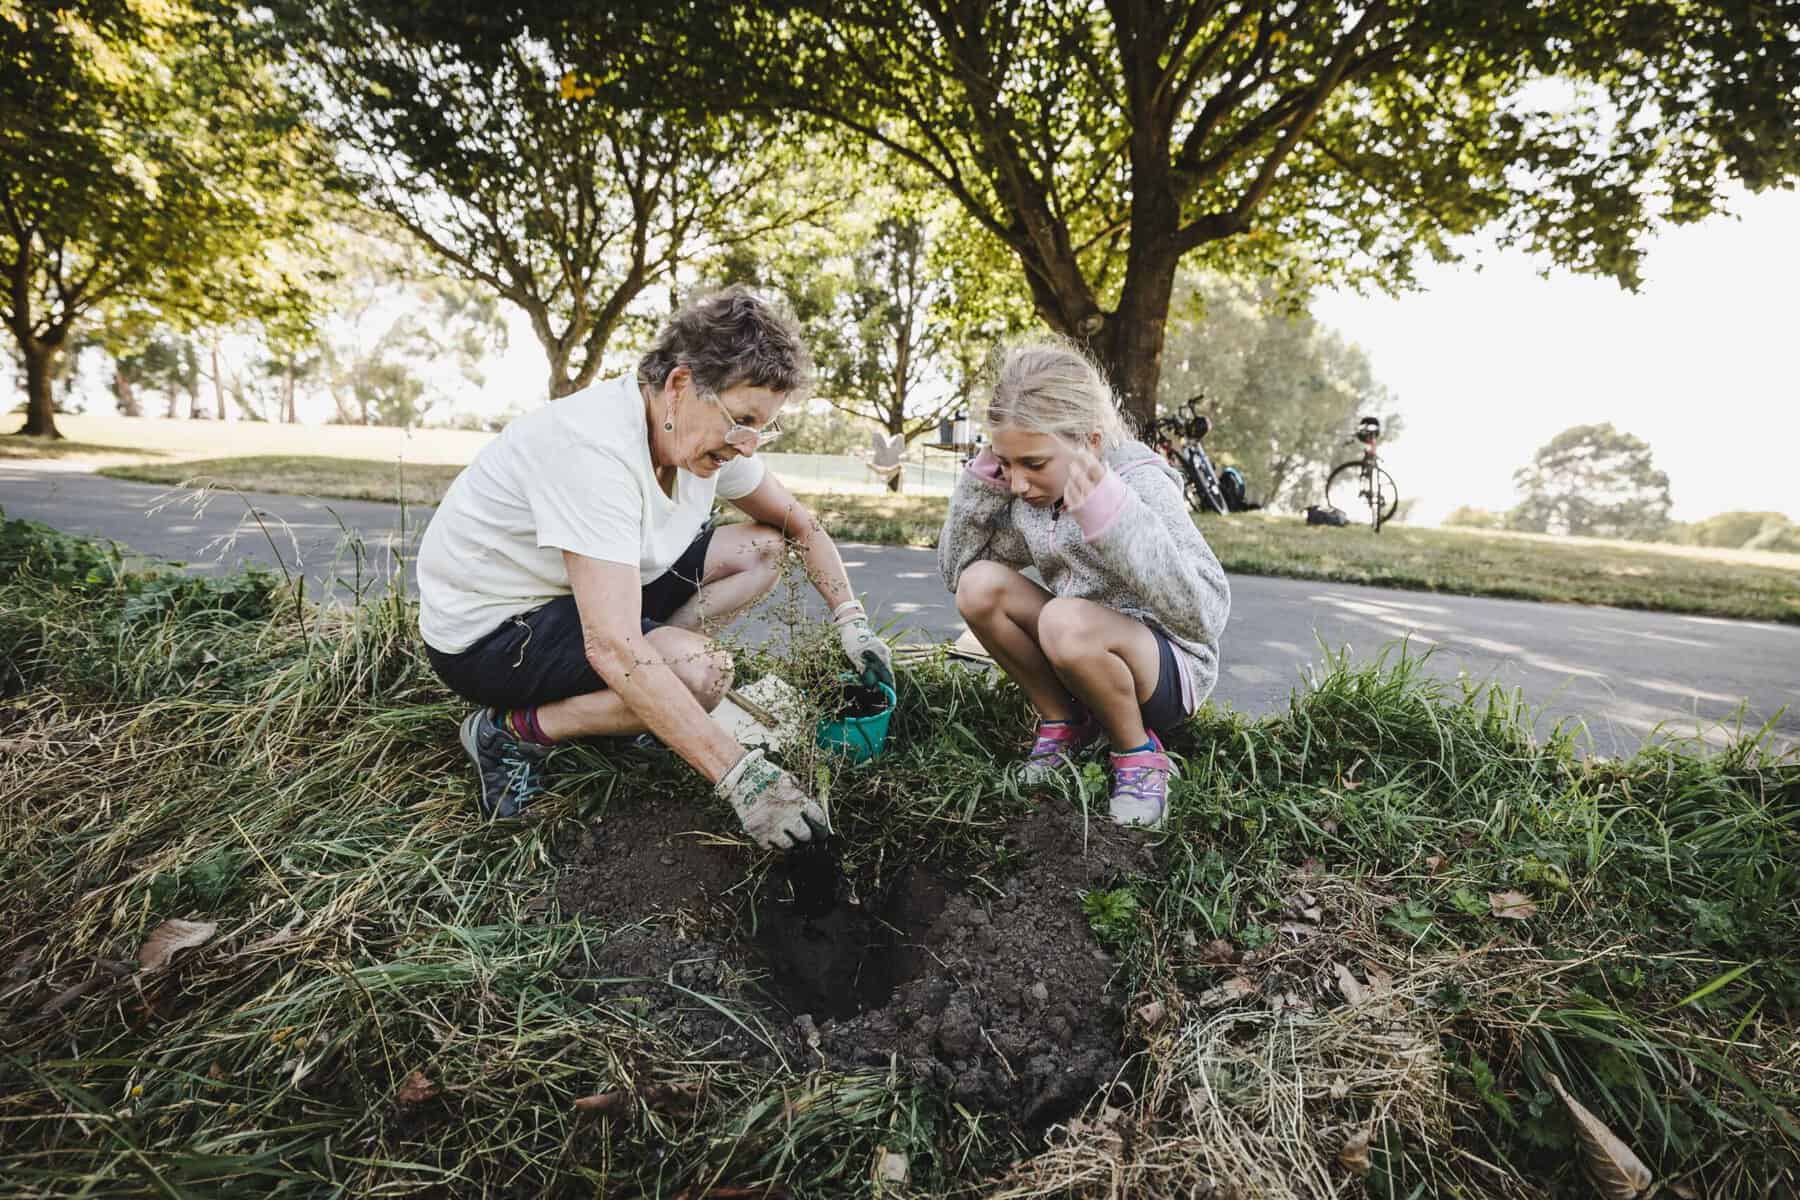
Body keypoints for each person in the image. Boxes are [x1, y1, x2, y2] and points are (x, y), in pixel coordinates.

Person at [417, 286, 893, 849]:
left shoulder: (696, 437)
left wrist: (851, 621)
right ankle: (509, 732)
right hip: (491, 634)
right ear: (680, 384)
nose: (747, 445)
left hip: (583, 593)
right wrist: (745, 778)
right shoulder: (594, 451)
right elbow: (612, 646)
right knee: (701, 672)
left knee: (762, 548)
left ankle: (641, 705)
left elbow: (799, 527)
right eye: (742, 420)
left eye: (762, 428)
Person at [937, 336, 1230, 827]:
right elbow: (957, 572)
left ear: (1090, 442)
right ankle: (1064, 722)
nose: (1018, 484)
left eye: (1033, 464)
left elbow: (1206, 616)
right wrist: (980, 483)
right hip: (1076, 649)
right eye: (1006, 464)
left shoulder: (1141, 482)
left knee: (1064, 620)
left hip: (1167, 671)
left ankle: (1139, 756)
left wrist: (1115, 523)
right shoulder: (1031, 497)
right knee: (980, 586)